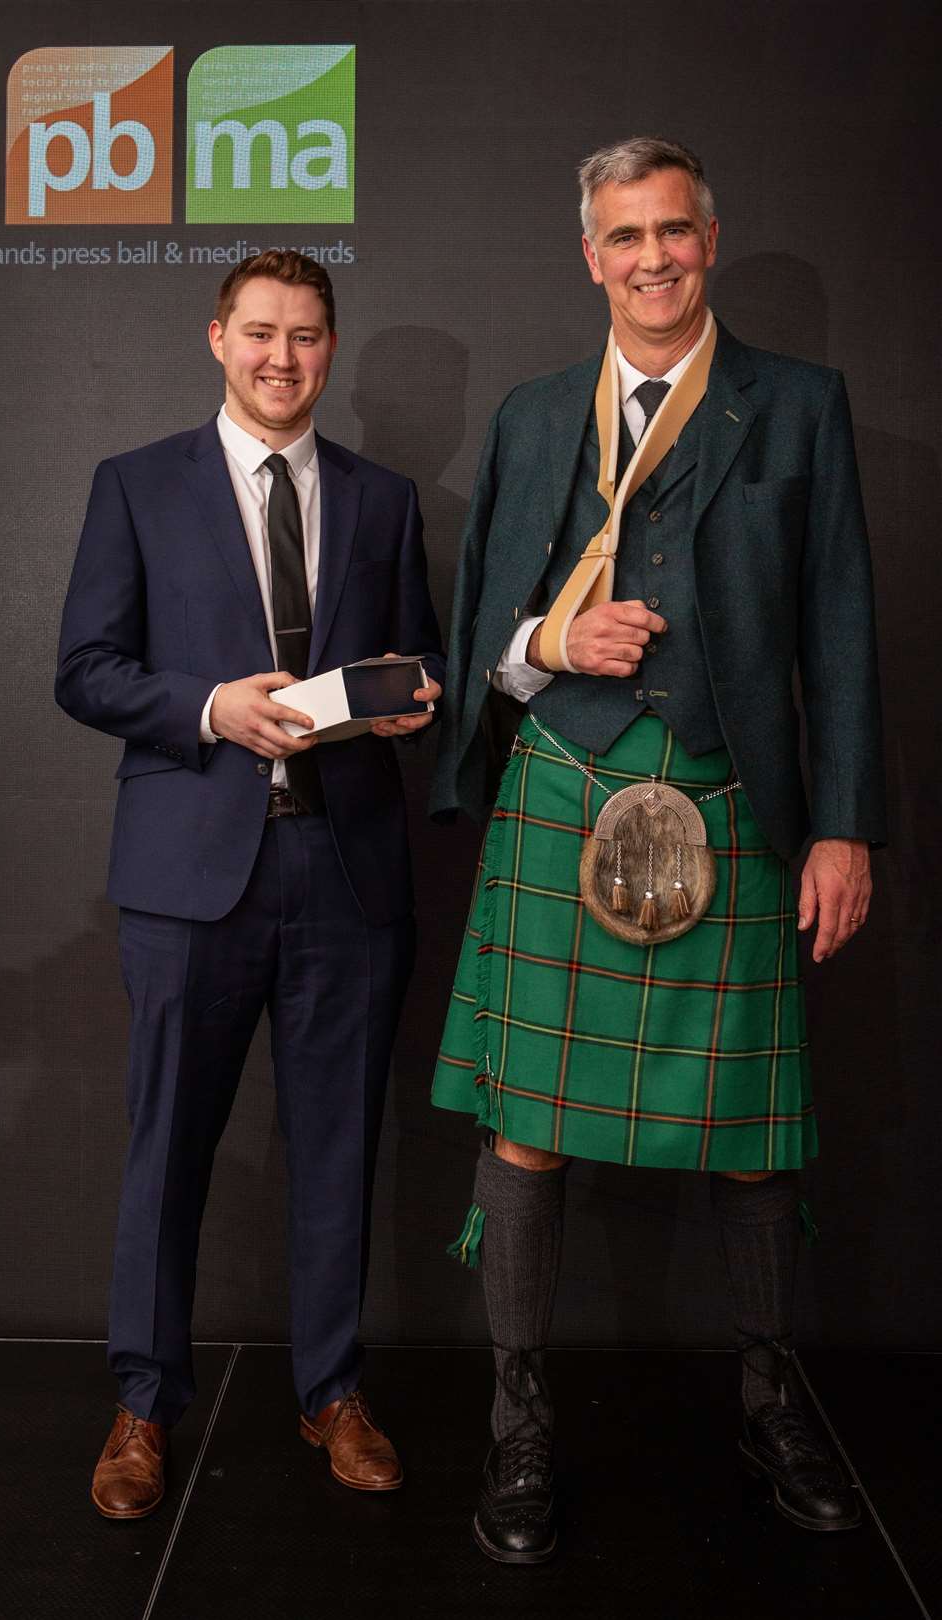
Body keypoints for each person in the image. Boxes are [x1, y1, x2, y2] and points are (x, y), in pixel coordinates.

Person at [430, 139, 884, 1562]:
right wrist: (553, 640)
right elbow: (479, 652)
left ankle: (768, 1399)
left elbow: (844, 635)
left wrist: (843, 824)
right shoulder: (533, 416)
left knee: (751, 1138)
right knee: (527, 1129)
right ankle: (519, 1422)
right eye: (624, 237)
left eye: (674, 232)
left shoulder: (799, 407)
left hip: (735, 800)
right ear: (590, 255)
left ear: (711, 236)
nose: (652, 258)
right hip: (563, 795)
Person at [56, 250, 444, 1517]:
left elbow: (422, 658)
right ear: (216, 338)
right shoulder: (136, 486)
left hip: (347, 871)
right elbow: (86, 669)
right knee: (168, 1145)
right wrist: (209, 707)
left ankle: (332, 1391)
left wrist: (405, 700)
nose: (286, 357)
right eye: (262, 333)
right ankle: (142, 1405)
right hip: (189, 876)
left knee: (338, 1149)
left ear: (331, 347)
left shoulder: (386, 502)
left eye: (310, 335)